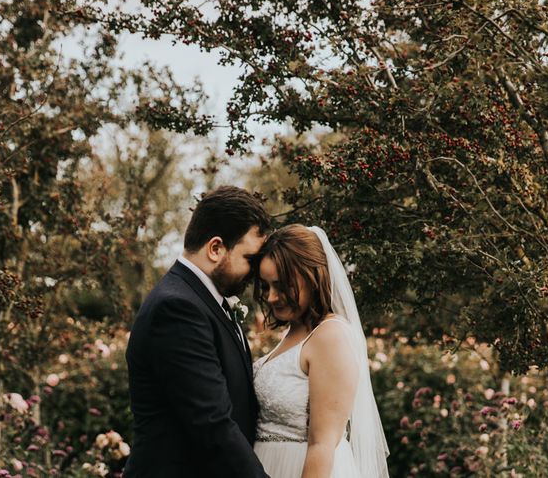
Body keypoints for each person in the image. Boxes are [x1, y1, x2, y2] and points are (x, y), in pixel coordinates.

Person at [123, 185, 272, 478]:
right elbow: (212, 423)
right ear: (216, 248)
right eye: (250, 260)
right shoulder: (177, 308)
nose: (254, 273)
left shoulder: (204, 300)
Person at [252, 224, 389, 478]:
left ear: (312, 276)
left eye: (281, 286)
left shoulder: (330, 336)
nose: (271, 297)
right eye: (266, 286)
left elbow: (322, 444)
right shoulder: (293, 332)